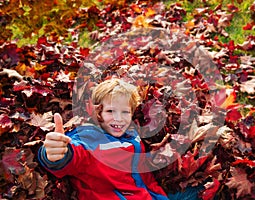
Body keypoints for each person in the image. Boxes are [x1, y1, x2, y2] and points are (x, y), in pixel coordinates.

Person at [38, 78, 169, 200]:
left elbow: (146, 177)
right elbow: (74, 154)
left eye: (125, 112)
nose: (118, 118)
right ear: (97, 112)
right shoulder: (89, 139)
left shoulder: (132, 137)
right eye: (110, 111)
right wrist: (54, 154)